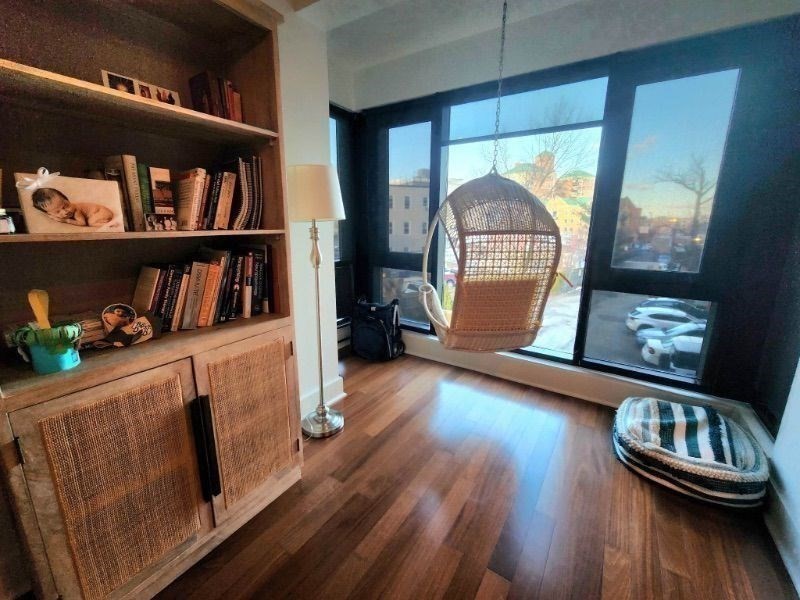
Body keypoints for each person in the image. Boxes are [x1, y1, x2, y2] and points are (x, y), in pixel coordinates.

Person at [31, 187, 113, 227]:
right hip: (100, 212)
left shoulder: (76, 210)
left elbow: (82, 223)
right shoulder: (51, 213)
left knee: (91, 222)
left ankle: (110, 225)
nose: (65, 212)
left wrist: (66, 221)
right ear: (49, 214)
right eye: (57, 212)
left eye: (66, 206)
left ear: (67, 200)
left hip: (101, 212)